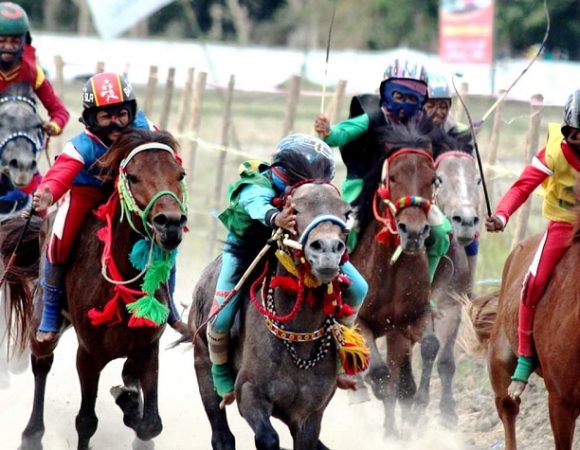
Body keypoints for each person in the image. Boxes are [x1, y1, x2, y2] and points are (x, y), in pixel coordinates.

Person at [207, 133, 369, 407]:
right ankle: (221, 372)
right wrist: (275, 217)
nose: (300, 184)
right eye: (292, 178)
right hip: (248, 246)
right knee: (220, 318)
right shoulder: (257, 182)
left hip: (300, 245)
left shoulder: (316, 192)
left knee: (359, 288)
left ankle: (343, 351)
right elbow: (255, 204)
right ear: (279, 169)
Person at [33, 72, 186, 343]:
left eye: (121, 113)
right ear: (92, 119)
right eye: (106, 116)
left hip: (133, 191)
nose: (116, 121)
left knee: (168, 233)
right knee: (59, 240)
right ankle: (51, 311)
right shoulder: (81, 145)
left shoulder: (146, 129)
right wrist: (47, 194)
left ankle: (170, 305)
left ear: (132, 112)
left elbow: (167, 159)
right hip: (88, 192)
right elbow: (61, 172)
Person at [314, 57, 451, 285]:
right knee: (346, 229)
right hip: (364, 186)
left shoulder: (423, 125)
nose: (405, 103)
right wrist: (328, 132)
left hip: (410, 192)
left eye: (412, 98)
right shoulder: (374, 117)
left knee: (439, 233)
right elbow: (341, 134)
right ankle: (333, 285)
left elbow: (445, 147)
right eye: (400, 96)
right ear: (386, 93)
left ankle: (425, 289)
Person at [485, 88, 580, 399]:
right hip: (563, 227)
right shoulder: (553, 152)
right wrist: (501, 215)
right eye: (578, 135)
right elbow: (522, 186)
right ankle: (525, 357)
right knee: (533, 281)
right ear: (569, 132)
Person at [0, 2, 69, 136]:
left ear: (24, 42)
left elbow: (59, 111)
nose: (8, 46)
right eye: (2, 41)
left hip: (22, 146)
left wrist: (53, 126)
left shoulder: (33, 73)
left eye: (15, 42)